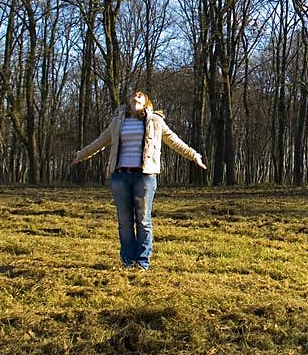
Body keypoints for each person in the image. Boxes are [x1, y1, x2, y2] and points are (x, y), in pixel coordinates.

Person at [71, 90, 207, 271]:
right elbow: (100, 142)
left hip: (144, 176)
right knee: (125, 222)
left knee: (143, 220)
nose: (136, 97)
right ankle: (127, 262)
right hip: (120, 176)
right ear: (128, 102)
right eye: (133, 96)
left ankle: (142, 263)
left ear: (146, 103)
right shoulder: (118, 122)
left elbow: (175, 141)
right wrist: (80, 155)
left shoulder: (156, 122)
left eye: (140, 96)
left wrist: (194, 155)